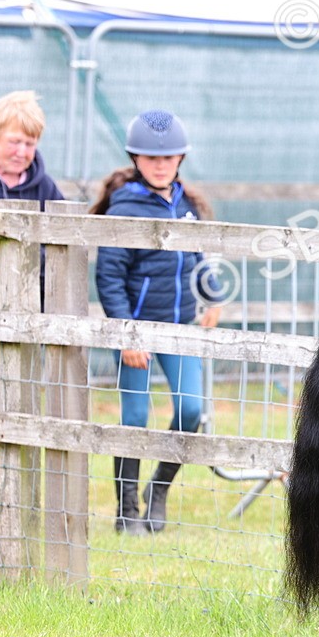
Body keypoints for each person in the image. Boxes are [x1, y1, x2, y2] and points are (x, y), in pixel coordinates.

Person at [93, 109, 222, 533]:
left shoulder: (186, 205)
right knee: (134, 417)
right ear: (135, 158)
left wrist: (213, 296)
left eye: (168, 157)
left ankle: (159, 488)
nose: (161, 164)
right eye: (151, 158)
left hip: (180, 327)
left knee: (191, 410)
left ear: (181, 158)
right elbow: (109, 278)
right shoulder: (124, 208)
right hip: (137, 330)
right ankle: (126, 509)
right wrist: (128, 335)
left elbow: (200, 257)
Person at [0, 91, 64, 532]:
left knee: (12, 410)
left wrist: (22, 253)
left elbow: (62, 245)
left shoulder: (45, 189)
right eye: (14, 142)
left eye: (30, 143)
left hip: (21, 325)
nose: (23, 152)